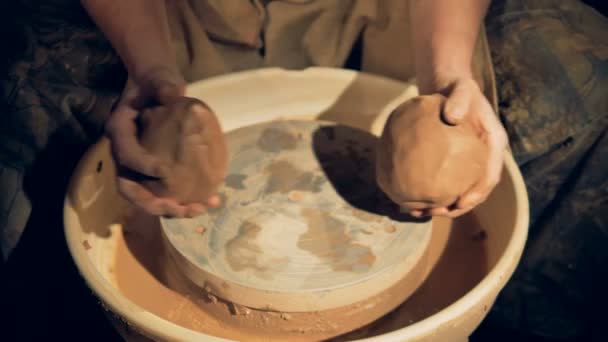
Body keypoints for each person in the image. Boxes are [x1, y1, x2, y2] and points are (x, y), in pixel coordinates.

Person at [1, 0, 606, 340]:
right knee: (20, 95)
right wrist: (151, 72)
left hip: (389, 12)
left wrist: (446, 77)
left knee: (584, 71)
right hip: (184, 13)